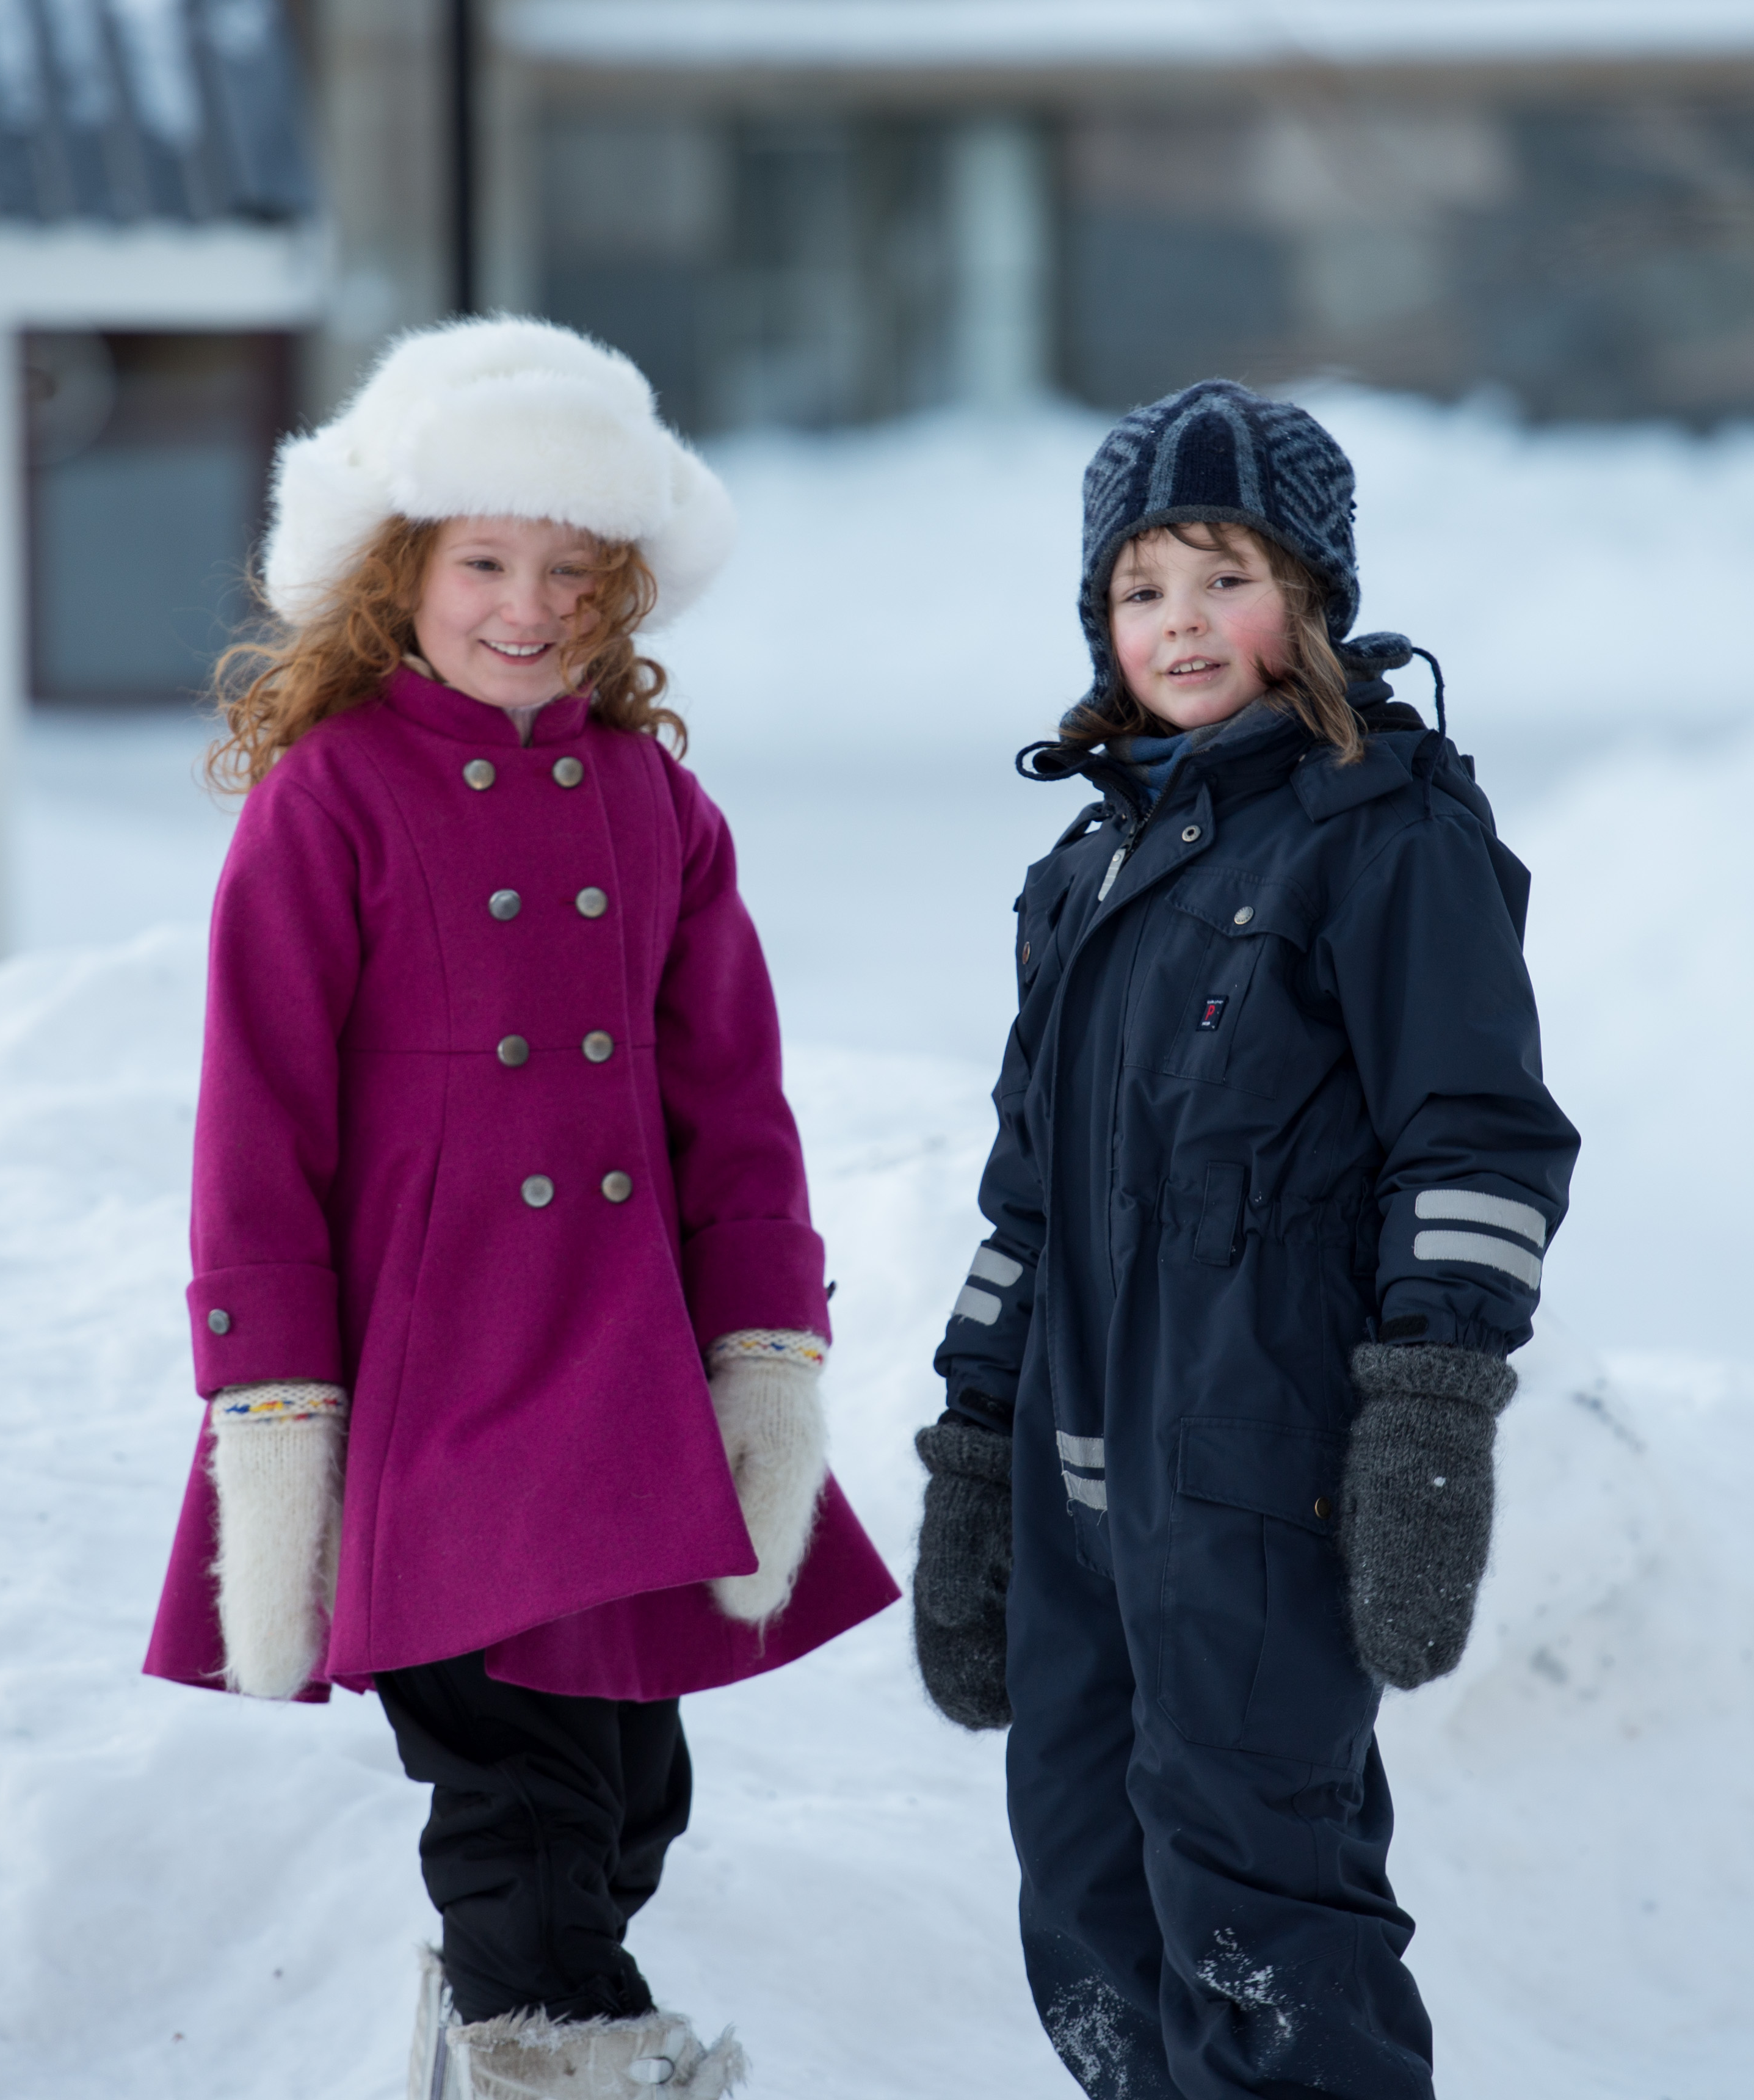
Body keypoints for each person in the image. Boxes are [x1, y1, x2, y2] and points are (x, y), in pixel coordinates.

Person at [139, 316, 901, 2100]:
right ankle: (550, 2046)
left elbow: (731, 1100)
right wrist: (271, 1391)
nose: (527, 604)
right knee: (524, 1764)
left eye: (572, 569)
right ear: (396, 570)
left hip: (619, 1358)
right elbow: (257, 1117)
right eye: (485, 561)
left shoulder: (656, 807)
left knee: (636, 1773)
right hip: (440, 1367)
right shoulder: (329, 801)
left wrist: (763, 1340)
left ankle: (496, 2021)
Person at [910, 380, 1581, 2100]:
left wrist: (1430, 1419)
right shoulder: (1083, 879)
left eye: (1225, 577)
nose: (1183, 624)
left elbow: (1476, 1142)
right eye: (1143, 590)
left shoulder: (1388, 841)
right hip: (1075, 1494)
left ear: (1312, 599)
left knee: (1263, 1921)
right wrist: (974, 1454)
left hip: (1258, 1480)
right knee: (1087, 1903)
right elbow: (1028, 1205)